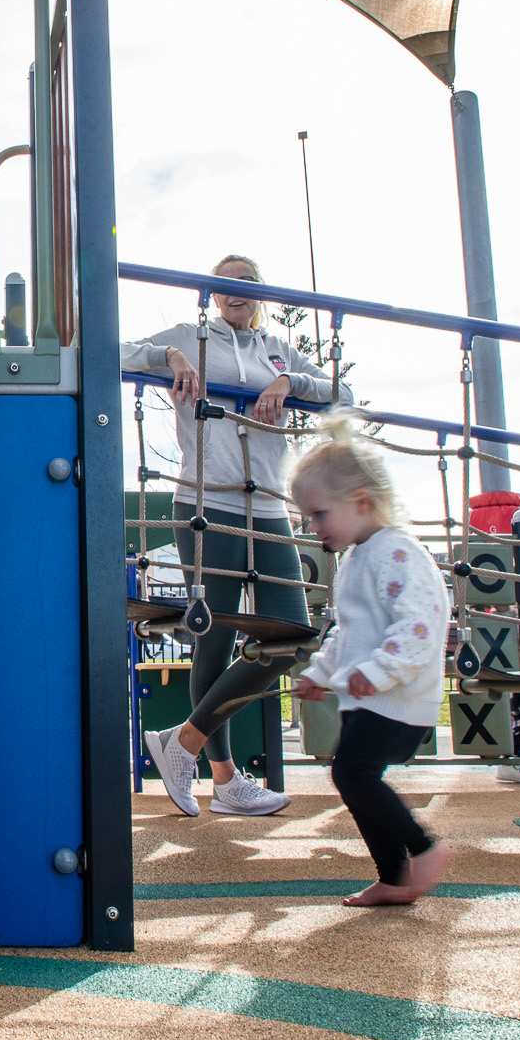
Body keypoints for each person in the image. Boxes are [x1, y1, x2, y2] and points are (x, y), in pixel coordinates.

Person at [130, 255, 352, 818]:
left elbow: (341, 393)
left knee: (292, 636)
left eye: (248, 283)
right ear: (212, 292)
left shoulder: (276, 348)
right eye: (225, 282)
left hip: (269, 505)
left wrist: (288, 381)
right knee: (215, 637)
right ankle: (226, 781)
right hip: (207, 502)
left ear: (261, 295)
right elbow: (111, 353)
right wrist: (169, 357)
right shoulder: (191, 336)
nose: (237, 291)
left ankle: (181, 743)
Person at [288, 416, 454, 907]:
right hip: (373, 699)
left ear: (361, 503)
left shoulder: (397, 552)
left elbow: (421, 625)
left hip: (399, 698)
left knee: (351, 775)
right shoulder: (358, 557)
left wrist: (378, 671)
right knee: (355, 779)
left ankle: (424, 849)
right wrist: (319, 674)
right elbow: (348, 632)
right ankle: (394, 878)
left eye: (318, 515)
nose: (312, 527)